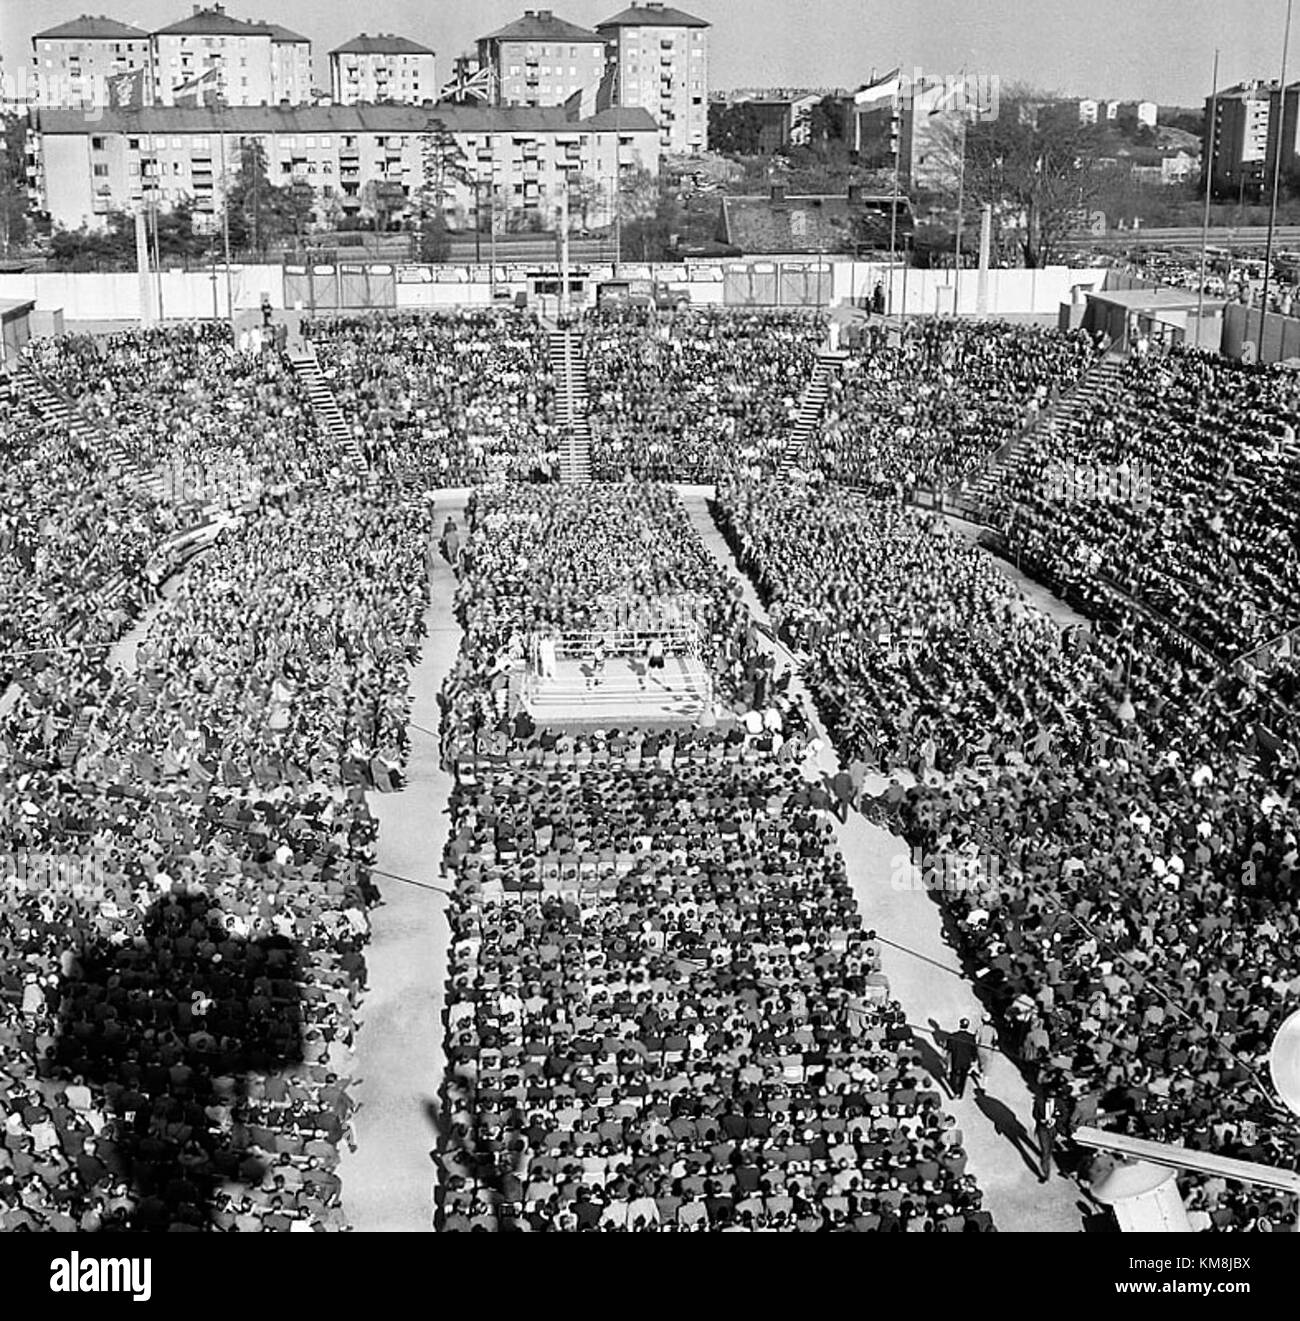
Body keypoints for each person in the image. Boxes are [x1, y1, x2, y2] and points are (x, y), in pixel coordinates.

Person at [946, 1018, 980, 1099]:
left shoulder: (953, 1036)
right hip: (966, 1060)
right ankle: (961, 1093)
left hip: (956, 1058)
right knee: (963, 1077)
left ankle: (955, 1090)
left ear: (960, 1024)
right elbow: (974, 1050)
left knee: (954, 1074)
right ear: (967, 1026)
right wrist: (974, 1059)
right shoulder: (971, 1037)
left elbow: (949, 1048)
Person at [1033, 1083, 1058, 1184]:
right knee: (1045, 1153)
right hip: (1042, 1129)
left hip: (1053, 1129)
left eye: (1052, 1098)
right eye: (1048, 1097)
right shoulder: (1039, 1102)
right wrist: (1040, 1120)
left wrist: (1055, 1120)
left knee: (1050, 1148)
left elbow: (1063, 1114)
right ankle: (1046, 1174)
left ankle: (1046, 1155)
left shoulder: (1058, 1102)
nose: (1050, 1099)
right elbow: (1035, 1114)